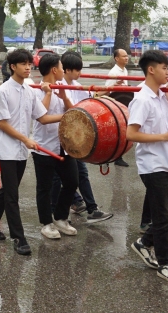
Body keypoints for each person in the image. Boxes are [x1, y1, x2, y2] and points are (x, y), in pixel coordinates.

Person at [0, 49, 63, 256]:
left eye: (29, 64)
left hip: (21, 148)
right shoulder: (2, 92)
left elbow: (41, 117)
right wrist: (26, 139)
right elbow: (3, 124)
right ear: (12, 67)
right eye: (23, 64)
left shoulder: (29, 91)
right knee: (12, 194)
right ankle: (19, 237)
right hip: (6, 147)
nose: (27, 67)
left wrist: (68, 116)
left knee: (8, 190)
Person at [126, 49, 168, 285]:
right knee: (162, 217)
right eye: (165, 68)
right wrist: (162, 136)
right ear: (152, 69)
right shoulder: (141, 99)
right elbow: (131, 133)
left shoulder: (161, 95)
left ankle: (144, 242)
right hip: (152, 165)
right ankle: (165, 263)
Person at [52, 50, 112, 223]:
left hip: (75, 138)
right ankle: (59, 212)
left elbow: (89, 101)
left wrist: (105, 93)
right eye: (76, 69)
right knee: (58, 178)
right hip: (60, 139)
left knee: (80, 174)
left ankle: (90, 208)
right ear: (67, 69)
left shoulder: (76, 86)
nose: (79, 73)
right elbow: (73, 111)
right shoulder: (59, 86)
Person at [31, 53, 80, 241]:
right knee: (44, 187)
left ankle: (60, 217)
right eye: (61, 67)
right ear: (54, 70)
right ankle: (46, 223)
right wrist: (49, 93)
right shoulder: (36, 90)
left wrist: (64, 97)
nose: (63, 70)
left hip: (63, 145)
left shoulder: (62, 87)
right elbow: (42, 117)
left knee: (71, 182)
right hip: (44, 147)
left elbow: (72, 111)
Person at [104, 48, 131, 167]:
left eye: (127, 56)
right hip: (116, 106)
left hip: (123, 104)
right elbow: (108, 91)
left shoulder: (124, 70)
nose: (127, 58)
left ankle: (116, 155)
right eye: (124, 56)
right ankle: (116, 156)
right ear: (116, 58)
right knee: (118, 131)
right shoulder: (113, 73)